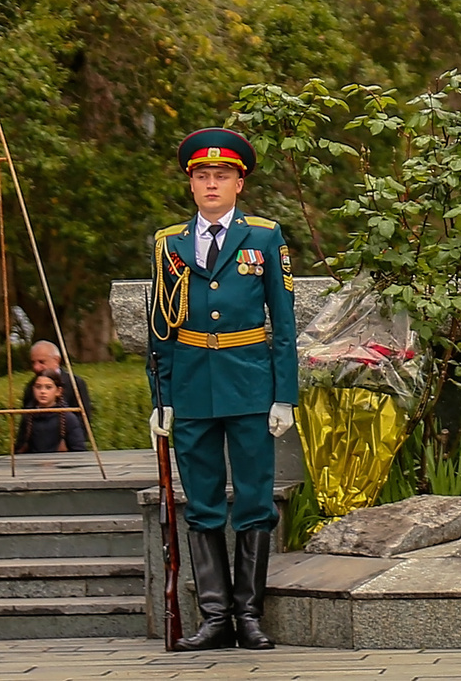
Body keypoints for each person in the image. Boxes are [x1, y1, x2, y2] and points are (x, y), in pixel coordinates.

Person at [147, 126, 298, 652]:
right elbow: (160, 327)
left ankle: (249, 616)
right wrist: (160, 398)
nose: (212, 185)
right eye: (203, 176)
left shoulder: (263, 236)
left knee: (255, 500)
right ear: (191, 186)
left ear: (240, 184)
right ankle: (214, 618)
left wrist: (285, 395)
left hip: (249, 381)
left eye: (223, 176)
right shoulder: (169, 243)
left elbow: (283, 321)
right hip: (191, 385)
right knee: (203, 503)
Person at [19, 340, 92, 429]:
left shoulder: (75, 384)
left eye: (41, 362)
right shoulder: (30, 387)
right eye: (33, 362)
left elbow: (83, 422)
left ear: (56, 360)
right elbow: (25, 423)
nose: (36, 367)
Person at [14, 373, 89, 454]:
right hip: (34, 464)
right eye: (38, 387)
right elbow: (20, 448)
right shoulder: (28, 415)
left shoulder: (68, 418)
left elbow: (79, 450)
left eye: (48, 387)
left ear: (58, 391)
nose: (42, 391)